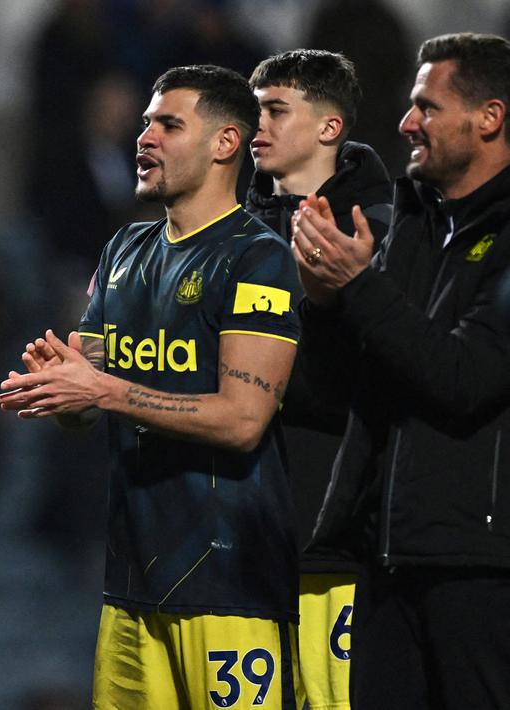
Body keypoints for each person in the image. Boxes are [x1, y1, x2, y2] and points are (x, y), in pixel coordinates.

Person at [0, 65, 304, 709]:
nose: (144, 137)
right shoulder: (123, 251)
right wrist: (61, 386)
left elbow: (243, 419)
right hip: (131, 585)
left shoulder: (258, 257)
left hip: (228, 586)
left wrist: (103, 391)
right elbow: (86, 406)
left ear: (225, 143)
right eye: (144, 123)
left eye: (168, 124)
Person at [292, 33, 510, 709]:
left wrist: (357, 287)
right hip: (386, 557)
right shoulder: (413, 222)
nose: (406, 122)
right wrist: (325, 302)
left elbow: (465, 378)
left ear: (489, 118)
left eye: (427, 106)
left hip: (481, 569)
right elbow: (350, 385)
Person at [244, 49, 392, 710]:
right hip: (241, 540)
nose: (257, 126)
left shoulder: (385, 233)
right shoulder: (228, 233)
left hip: (340, 545)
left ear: (329, 127)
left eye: (275, 110)